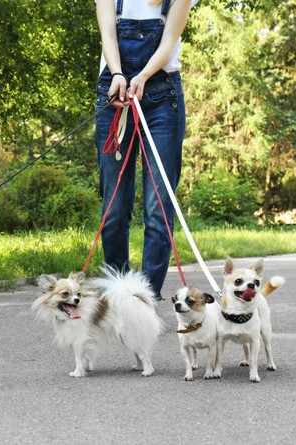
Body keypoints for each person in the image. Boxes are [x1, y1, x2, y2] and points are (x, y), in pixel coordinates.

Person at [95, 0, 197, 300]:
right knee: (114, 208)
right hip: (113, 93)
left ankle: (145, 299)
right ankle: (119, 294)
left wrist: (141, 76)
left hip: (162, 97)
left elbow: (168, 43)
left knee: (158, 208)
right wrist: (118, 74)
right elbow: (109, 36)